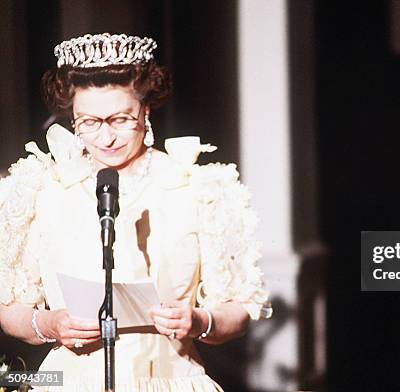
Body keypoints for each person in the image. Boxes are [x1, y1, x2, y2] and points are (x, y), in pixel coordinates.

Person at [0, 33, 271, 391]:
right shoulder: (39, 189)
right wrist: (50, 324)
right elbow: (10, 309)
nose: (105, 138)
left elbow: (239, 308)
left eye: (120, 119)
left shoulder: (200, 189)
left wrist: (199, 321)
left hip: (171, 379)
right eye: (89, 122)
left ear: (146, 110)